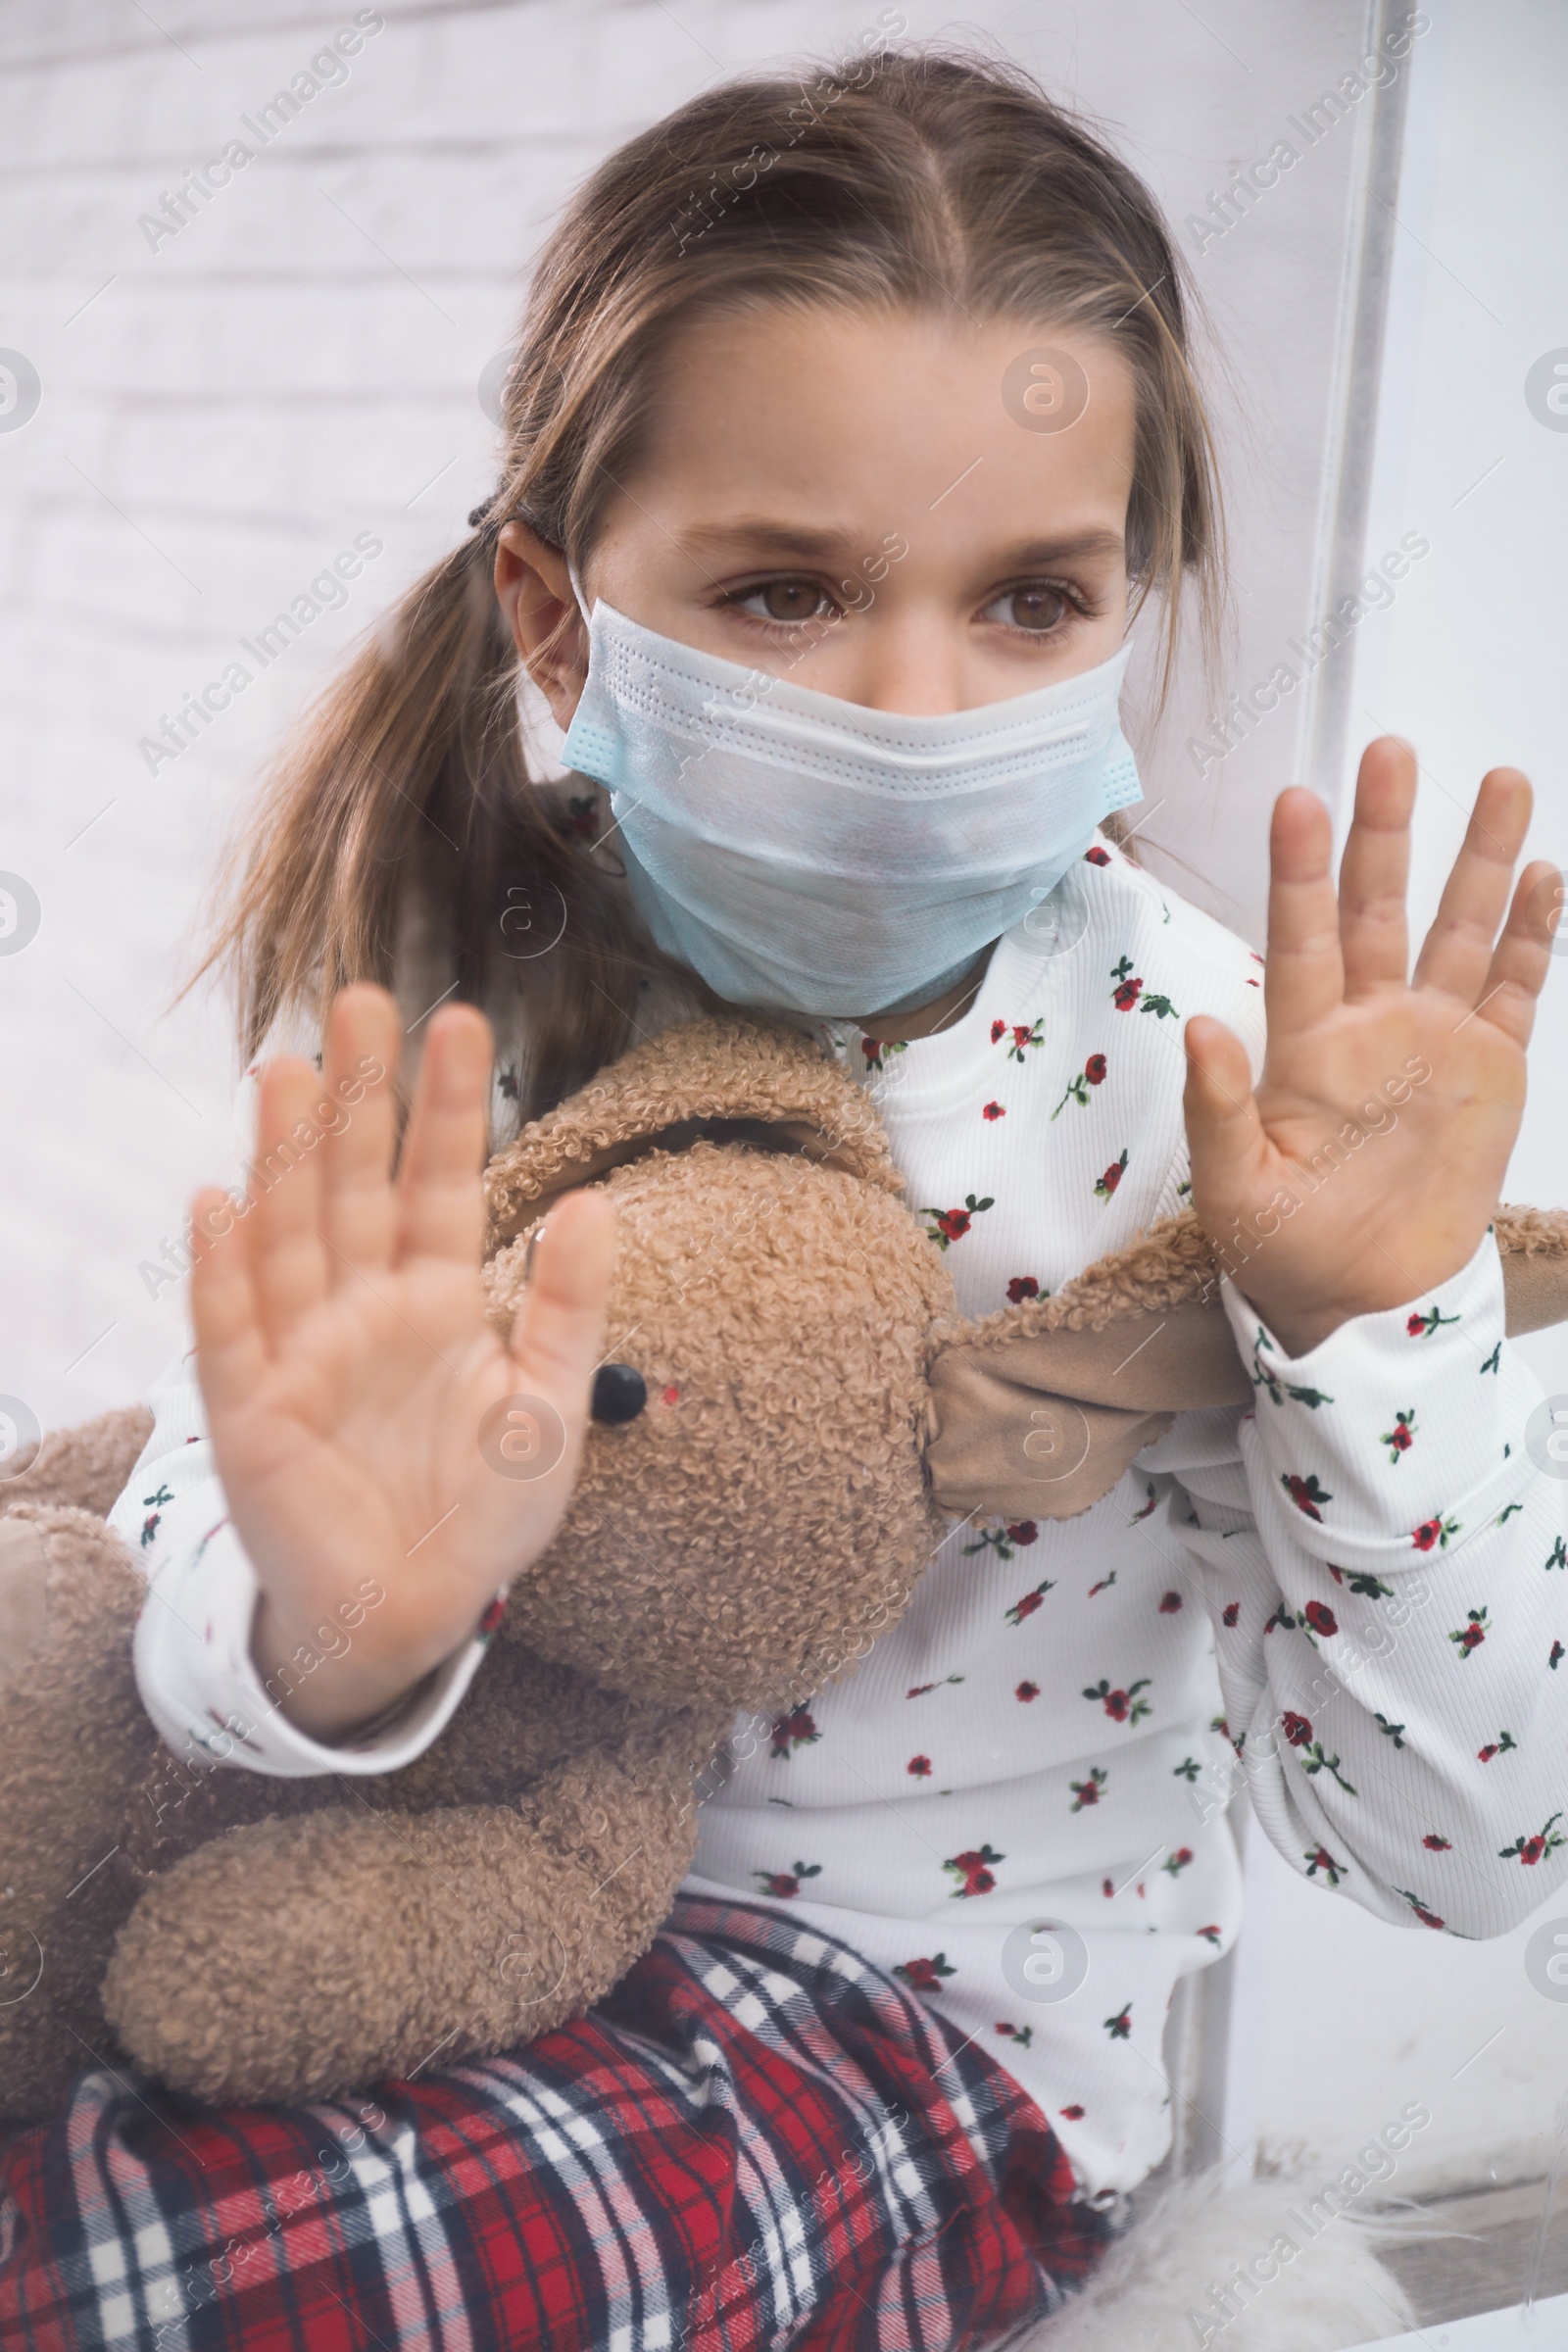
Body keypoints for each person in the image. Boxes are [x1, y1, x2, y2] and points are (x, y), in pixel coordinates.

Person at [13, 39, 1565, 2352]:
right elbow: (205, 1568)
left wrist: (1371, 1324)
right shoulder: (472, 1006)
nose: (912, 705)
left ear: (1130, 604)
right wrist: (338, 1632)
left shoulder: (1223, 1088)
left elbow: (1464, 1853)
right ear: (560, 622)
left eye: (1030, 604)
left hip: (903, 2048)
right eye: (778, 594)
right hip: (413, 1887)